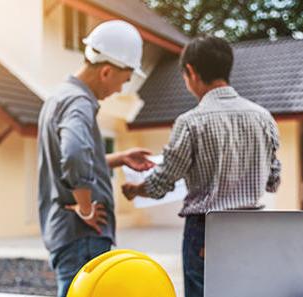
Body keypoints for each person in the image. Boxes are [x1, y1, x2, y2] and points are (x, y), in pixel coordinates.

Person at [122, 36, 281, 297]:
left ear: (191, 72)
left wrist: (135, 189)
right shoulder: (263, 117)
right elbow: (272, 180)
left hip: (207, 229)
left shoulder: (190, 122)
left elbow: (162, 182)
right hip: (251, 227)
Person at [38, 20, 154, 297]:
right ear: (105, 71)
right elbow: (75, 154)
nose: (120, 90)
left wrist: (119, 158)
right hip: (83, 236)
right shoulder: (79, 102)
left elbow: (75, 156)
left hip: (70, 236)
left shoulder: (59, 97)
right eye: (124, 81)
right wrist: (86, 208)